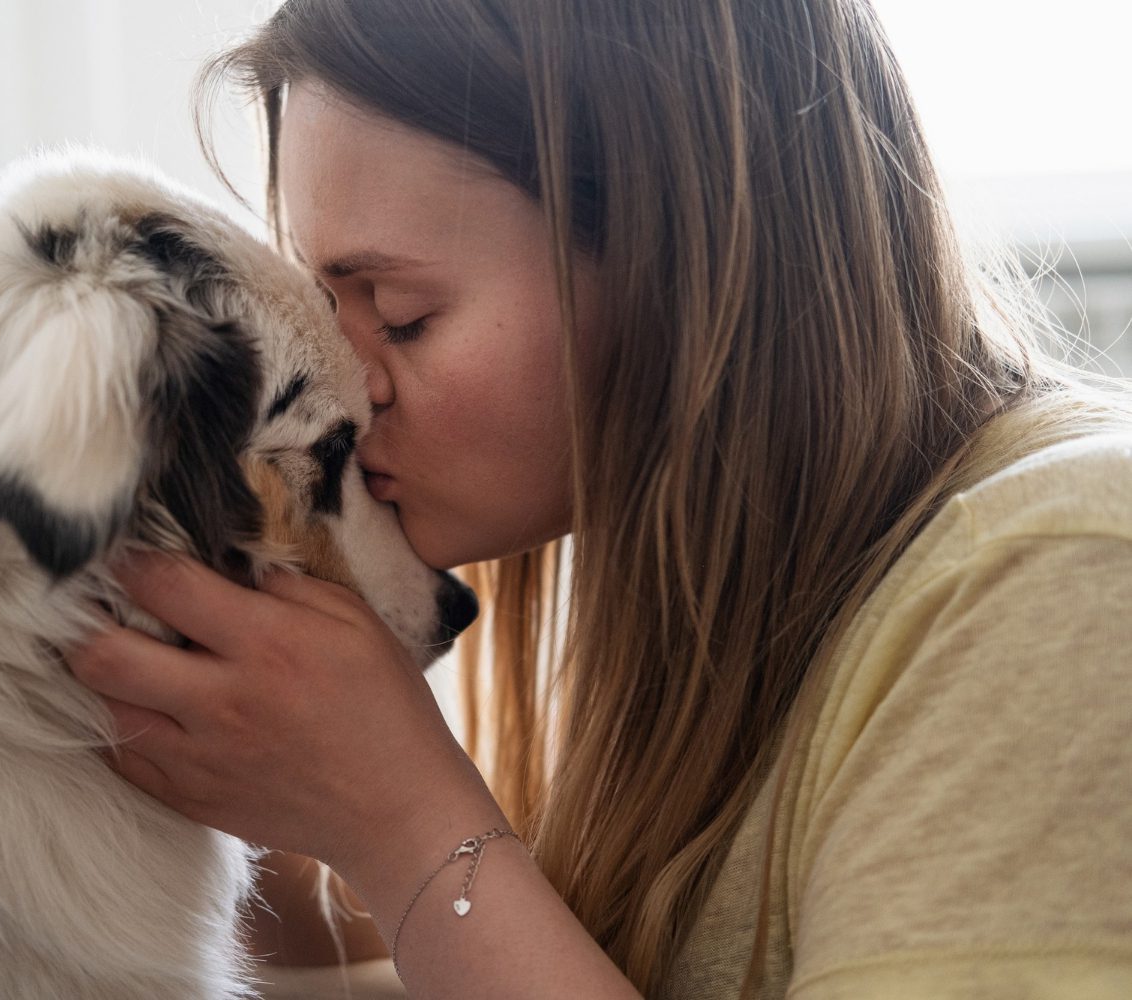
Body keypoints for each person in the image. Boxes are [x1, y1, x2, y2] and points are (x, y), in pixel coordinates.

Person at [64, 1, 1132, 997]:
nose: (344, 386)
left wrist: (397, 817)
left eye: (398, 312)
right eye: (319, 301)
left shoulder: (1057, 576)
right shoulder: (706, 630)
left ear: (691, 256)